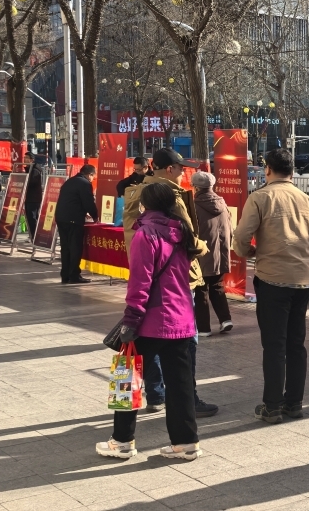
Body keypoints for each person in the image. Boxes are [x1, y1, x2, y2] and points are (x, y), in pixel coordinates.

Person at [96, 183, 202, 462]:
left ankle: (122, 441)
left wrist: (131, 319)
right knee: (180, 385)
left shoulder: (146, 234)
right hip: (181, 317)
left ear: (145, 205)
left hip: (150, 320)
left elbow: (140, 282)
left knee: (126, 378)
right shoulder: (181, 230)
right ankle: (186, 443)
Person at [233, 148, 309, 424]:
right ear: (292, 171)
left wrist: (252, 252)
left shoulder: (260, 198)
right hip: (302, 281)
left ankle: (272, 406)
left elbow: (241, 239)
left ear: (267, 170)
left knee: (274, 346)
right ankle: (294, 403)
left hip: (272, 279)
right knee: (296, 344)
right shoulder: (308, 201)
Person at [130, 148, 218, 418]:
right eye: (181, 169)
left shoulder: (137, 194)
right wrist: (202, 247)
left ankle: (154, 396)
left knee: (139, 359)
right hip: (176, 289)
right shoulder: (171, 200)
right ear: (170, 169)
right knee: (185, 348)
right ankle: (187, 400)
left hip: (148, 293)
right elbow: (190, 241)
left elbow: (138, 281)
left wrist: (131, 317)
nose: (183, 174)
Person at [192, 171, 233, 336]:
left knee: (201, 289)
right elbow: (230, 229)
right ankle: (226, 320)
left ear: (195, 187)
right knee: (217, 286)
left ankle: (203, 328)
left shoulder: (194, 206)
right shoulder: (223, 204)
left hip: (202, 255)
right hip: (221, 255)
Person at [55, 164, 98, 284]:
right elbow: (88, 203)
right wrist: (95, 216)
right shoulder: (85, 183)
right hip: (73, 220)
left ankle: (65, 275)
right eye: (93, 177)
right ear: (90, 174)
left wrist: (83, 212)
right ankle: (74, 275)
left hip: (61, 218)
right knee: (75, 248)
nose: (92, 179)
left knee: (65, 248)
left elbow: (72, 201)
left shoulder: (70, 181)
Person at [23, 152, 45, 239]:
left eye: (26, 158)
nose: (25, 159)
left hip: (34, 198)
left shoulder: (35, 170)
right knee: (29, 217)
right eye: (24, 157)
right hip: (29, 197)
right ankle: (32, 235)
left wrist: (23, 180)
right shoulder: (29, 169)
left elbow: (31, 182)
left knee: (32, 218)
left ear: (32, 160)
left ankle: (36, 236)